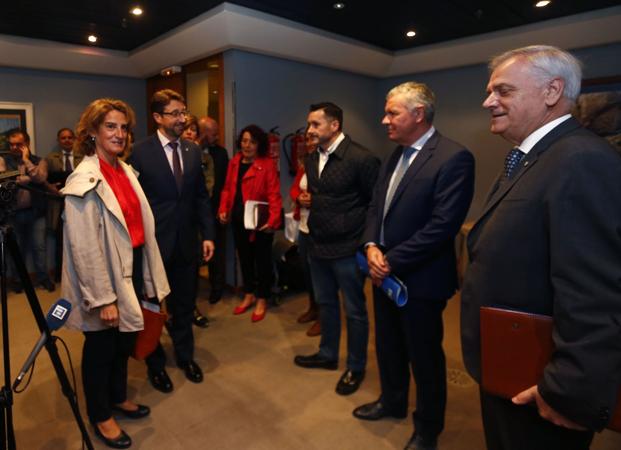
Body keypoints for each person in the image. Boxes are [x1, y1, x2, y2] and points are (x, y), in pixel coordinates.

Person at [461, 45, 621, 450]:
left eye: (503, 91)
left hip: (542, 383)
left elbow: (596, 291)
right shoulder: (534, 157)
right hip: (512, 364)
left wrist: (567, 388)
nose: (488, 101)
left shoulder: (581, 160)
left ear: (552, 91)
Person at [353, 82, 475, 450]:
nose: (384, 120)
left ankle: (427, 429)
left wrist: (390, 261)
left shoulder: (454, 157)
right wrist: (372, 245)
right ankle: (391, 402)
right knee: (388, 345)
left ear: (419, 114)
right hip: (384, 274)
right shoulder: (396, 154)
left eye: (392, 113)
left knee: (424, 357)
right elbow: (376, 205)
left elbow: (443, 226)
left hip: (420, 281)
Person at [61, 98, 170, 449]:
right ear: (92, 132)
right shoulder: (84, 179)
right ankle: (100, 415)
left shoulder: (125, 171)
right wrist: (103, 298)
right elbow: (84, 248)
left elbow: (141, 228)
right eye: (110, 126)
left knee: (125, 341)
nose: (119, 134)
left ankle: (118, 397)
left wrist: (149, 279)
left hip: (132, 268)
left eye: (124, 127)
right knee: (101, 348)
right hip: (104, 277)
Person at [129, 89, 215, 392]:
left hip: (187, 243)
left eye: (184, 112)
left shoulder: (193, 151)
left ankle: (185, 356)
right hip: (152, 245)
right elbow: (132, 202)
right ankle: (154, 363)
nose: (182, 119)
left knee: (184, 303)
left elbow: (201, 198)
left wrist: (208, 235)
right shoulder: (139, 152)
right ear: (157, 117)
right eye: (175, 113)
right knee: (151, 306)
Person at [293, 102, 380, 396]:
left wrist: (368, 244)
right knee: (326, 304)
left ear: (335, 126)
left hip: (348, 249)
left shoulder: (362, 159)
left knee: (354, 311)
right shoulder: (310, 158)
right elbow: (323, 196)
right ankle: (327, 354)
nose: (309, 130)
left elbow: (374, 206)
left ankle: (356, 367)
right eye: (309, 124)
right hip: (318, 246)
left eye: (316, 124)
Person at [218, 124, 282, 323]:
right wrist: (223, 209)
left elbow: (274, 194)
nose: (247, 145)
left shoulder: (268, 164)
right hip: (239, 220)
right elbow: (228, 188)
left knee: (261, 261)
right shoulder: (235, 162)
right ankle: (249, 294)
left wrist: (272, 221)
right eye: (244, 141)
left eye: (252, 142)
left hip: (261, 222)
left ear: (259, 144)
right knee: (244, 258)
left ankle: (262, 297)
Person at [0, 128, 55, 292]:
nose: (14, 147)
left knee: (39, 248)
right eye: (12, 144)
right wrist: (29, 177)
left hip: (36, 212)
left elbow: (40, 178)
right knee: (16, 250)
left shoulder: (40, 160)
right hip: (13, 213)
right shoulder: (3, 160)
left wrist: (26, 161)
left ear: (27, 144)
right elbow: (3, 180)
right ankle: (17, 281)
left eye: (19, 144)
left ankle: (43, 278)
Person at [182, 114, 214, 328]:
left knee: (191, 269)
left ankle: (190, 307)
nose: (190, 132)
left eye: (194, 129)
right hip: (171, 222)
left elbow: (207, 188)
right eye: (187, 128)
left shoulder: (204, 158)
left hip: (194, 221)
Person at [289, 132, 321, 336]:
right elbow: (294, 189)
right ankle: (313, 308)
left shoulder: (327, 165)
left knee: (320, 276)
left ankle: (324, 317)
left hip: (319, 228)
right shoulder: (306, 164)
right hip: (303, 226)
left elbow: (333, 196)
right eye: (307, 140)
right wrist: (299, 197)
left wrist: (314, 200)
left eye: (313, 140)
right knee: (307, 273)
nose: (309, 144)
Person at [198, 116, 229, 305]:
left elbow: (225, 184)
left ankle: (216, 289)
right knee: (195, 252)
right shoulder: (189, 151)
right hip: (196, 213)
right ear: (202, 133)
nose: (217, 136)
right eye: (213, 133)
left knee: (217, 254)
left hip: (217, 211)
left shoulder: (221, 153)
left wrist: (224, 208)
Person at [46, 127, 83, 282]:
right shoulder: (50, 158)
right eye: (63, 138)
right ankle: (61, 276)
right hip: (58, 203)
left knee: (80, 240)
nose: (67, 140)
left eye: (69, 137)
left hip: (79, 201)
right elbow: (44, 179)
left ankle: (81, 274)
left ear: (74, 139)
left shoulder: (83, 157)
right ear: (58, 140)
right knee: (61, 240)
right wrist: (51, 188)